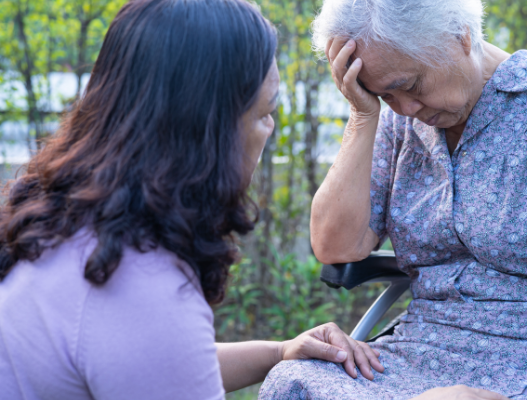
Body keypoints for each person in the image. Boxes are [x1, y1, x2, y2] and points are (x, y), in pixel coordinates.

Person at [259, 0, 527, 399]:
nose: (404, 108)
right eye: (385, 95)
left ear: (461, 35)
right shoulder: (400, 122)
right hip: (425, 346)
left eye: (410, 86)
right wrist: (364, 115)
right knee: (293, 381)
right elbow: (336, 246)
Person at [0, 0, 386, 399]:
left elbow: (149, 364)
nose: (269, 129)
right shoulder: (141, 283)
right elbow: (153, 341)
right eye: (264, 112)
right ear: (208, 133)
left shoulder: (65, 223)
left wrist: (279, 352)